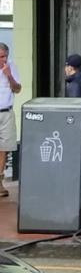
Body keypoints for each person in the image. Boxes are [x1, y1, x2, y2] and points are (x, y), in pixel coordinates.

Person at [0, 43, 22, 198]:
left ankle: (0, 182)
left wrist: (9, 75)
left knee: (4, 148)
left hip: (6, 112)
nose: (4, 59)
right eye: (1, 56)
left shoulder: (11, 67)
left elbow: (18, 89)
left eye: (6, 55)